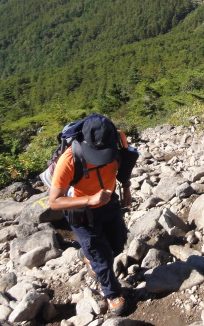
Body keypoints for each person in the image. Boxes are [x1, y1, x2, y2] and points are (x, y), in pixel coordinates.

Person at [48, 114, 132, 316]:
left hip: (109, 203)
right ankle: (112, 294)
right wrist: (89, 200)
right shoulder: (69, 159)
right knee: (101, 259)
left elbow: (125, 166)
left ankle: (87, 254)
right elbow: (54, 201)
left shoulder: (119, 138)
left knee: (118, 244)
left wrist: (126, 189)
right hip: (82, 211)